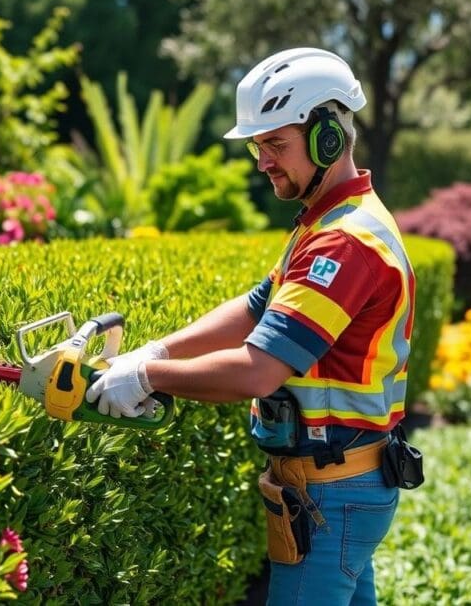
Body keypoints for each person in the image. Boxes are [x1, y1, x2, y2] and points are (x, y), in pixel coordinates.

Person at [86, 47, 416, 605]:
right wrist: (154, 350)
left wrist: (150, 379)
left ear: (327, 136)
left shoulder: (343, 242)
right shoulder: (327, 222)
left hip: (332, 491)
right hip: (344, 482)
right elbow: (255, 308)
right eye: (258, 146)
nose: (262, 161)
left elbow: (256, 371)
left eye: (275, 144)